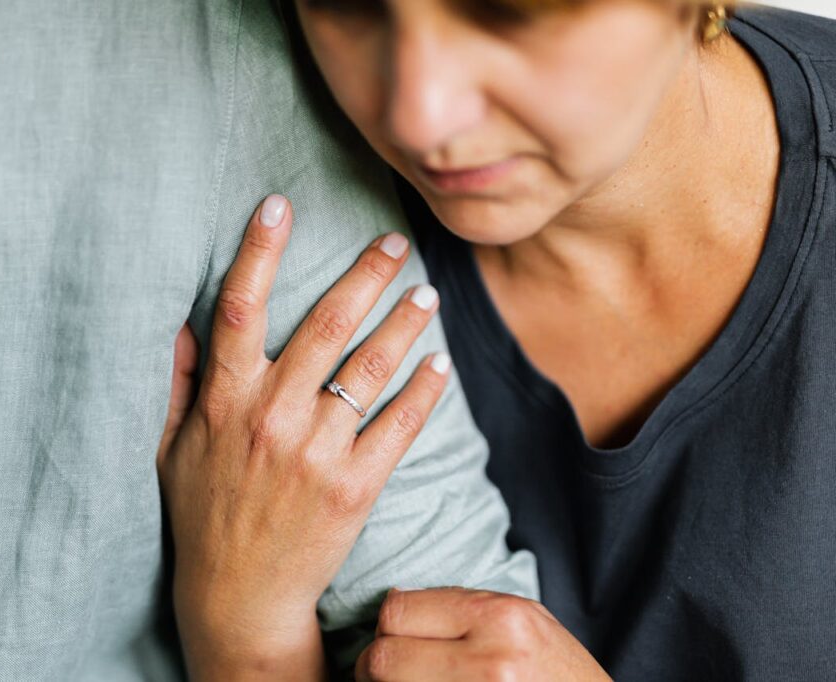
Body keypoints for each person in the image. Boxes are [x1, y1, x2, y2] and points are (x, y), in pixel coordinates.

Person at [0, 0, 538, 679]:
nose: (420, 114)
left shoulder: (210, 44)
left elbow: (451, 622)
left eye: (507, 6)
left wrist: (242, 634)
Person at [159, 0, 836, 679]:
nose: (417, 114)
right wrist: (241, 623)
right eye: (349, 3)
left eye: (505, 10)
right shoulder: (295, 202)